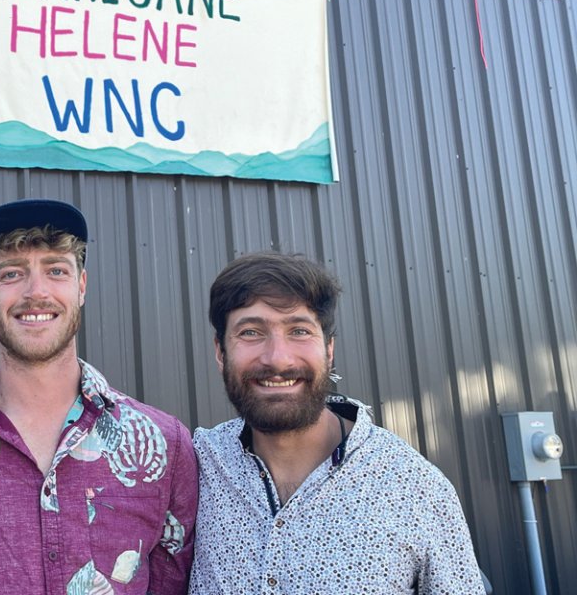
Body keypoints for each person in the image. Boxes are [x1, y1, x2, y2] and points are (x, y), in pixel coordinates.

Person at [0, 199, 198, 594]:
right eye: (12, 273)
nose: (36, 291)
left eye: (56, 270)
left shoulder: (165, 447)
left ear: (81, 286)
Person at [189, 251, 486, 594]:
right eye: (251, 332)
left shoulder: (416, 489)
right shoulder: (194, 468)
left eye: (299, 330)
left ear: (329, 349)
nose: (277, 358)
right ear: (220, 351)